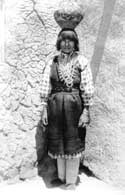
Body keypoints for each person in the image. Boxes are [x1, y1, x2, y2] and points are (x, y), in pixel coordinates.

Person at [40, 11, 94, 190]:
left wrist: (86, 111)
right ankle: (61, 178)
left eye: (70, 40)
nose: (67, 43)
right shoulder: (51, 62)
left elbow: (87, 88)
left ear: (75, 43)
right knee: (57, 141)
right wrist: (44, 109)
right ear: (59, 42)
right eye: (63, 39)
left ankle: (71, 181)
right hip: (55, 108)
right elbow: (45, 87)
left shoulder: (82, 62)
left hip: (74, 109)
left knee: (72, 142)